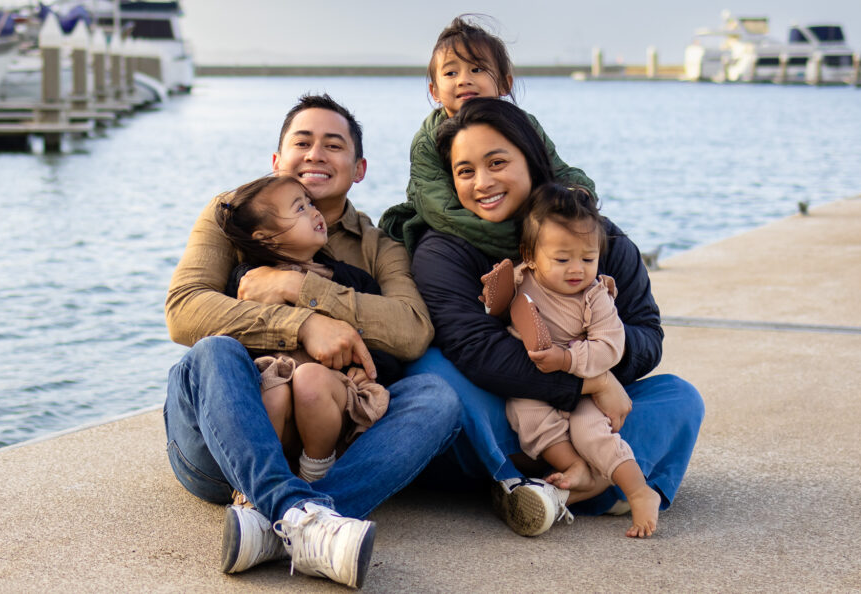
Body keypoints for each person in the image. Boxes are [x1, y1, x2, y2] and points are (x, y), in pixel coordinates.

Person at [164, 94, 461, 588]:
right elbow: (184, 311)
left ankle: (280, 520)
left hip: (322, 457)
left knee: (438, 398)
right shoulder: (230, 215)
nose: (316, 154)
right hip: (219, 452)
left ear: (358, 167)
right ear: (278, 160)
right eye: (302, 142)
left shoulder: (377, 246)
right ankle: (306, 519)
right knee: (214, 351)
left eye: (334, 145)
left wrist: (303, 291)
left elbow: (412, 330)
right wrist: (298, 327)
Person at [408, 97, 704, 538]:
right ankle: (586, 481)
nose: (483, 182)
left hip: (589, 414)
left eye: (497, 162)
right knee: (435, 373)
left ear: (532, 160)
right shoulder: (444, 250)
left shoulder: (597, 238)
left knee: (680, 398)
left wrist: (588, 357)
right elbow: (478, 351)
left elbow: (647, 335)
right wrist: (589, 380)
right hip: (501, 413)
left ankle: (556, 489)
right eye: (465, 171)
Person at [481, 183, 660, 538]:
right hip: (532, 383)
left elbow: (611, 347)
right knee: (527, 418)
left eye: (588, 259)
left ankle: (639, 490)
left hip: (582, 385)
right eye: (562, 260)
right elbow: (495, 309)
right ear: (530, 256)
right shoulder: (522, 278)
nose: (577, 269)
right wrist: (493, 290)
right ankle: (575, 467)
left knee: (593, 433)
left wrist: (567, 358)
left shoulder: (595, 296)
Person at [214, 174, 397, 484]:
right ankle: (264, 481)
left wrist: (369, 369)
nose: (314, 212)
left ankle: (315, 474)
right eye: (299, 208)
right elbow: (236, 336)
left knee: (310, 379)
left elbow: (382, 342)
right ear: (266, 238)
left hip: (330, 402)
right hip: (277, 411)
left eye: (310, 203)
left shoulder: (350, 280)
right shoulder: (249, 282)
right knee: (272, 387)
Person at [379, 13, 595, 259]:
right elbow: (439, 207)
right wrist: (524, 235)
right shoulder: (427, 140)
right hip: (452, 230)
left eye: (477, 69)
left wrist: (576, 199)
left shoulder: (523, 126)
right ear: (434, 90)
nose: (464, 80)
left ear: (505, 83)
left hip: (515, 216)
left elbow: (558, 172)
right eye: (451, 73)